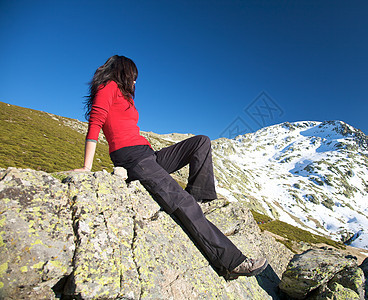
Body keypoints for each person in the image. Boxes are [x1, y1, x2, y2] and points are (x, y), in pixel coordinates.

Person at [73, 55, 268, 280]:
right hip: (133, 160)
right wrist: (87, 167)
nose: (135, 83)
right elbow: (95, 122)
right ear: (123, 72)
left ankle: (199, 198)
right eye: (134, 77)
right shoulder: (109, 87)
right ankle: (233, 263)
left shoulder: (125, 96)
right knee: (183, 204)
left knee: (201, 142)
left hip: (148, 156)